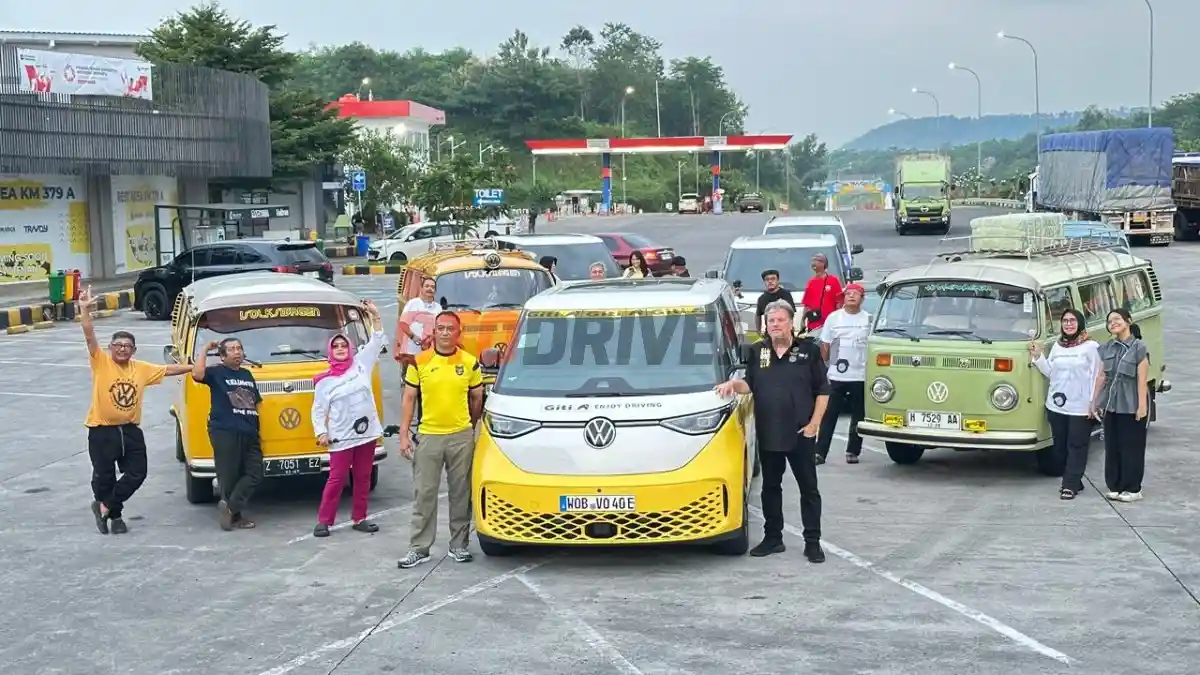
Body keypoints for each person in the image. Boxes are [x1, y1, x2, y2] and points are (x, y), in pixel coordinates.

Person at [715, 300, 828, 563]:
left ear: (791, 322)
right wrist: (733, 385)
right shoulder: (758, 351)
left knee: (809, 489)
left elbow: (823, 391)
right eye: (771, 321)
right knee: (770, 487)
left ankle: (813, 542)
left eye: (780, 320)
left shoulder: (808, 351)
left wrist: (814, 424)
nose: (775, 325)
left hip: (801, 433)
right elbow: (750, 384)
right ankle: (773, 538)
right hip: (769, 432)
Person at [80, 286, 191, 534]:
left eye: (127, 346)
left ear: (134, 350)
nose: (122, 349)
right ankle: (115, 516)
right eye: (118, 345)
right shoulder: (101, 362)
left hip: (130, 430)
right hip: (102, 431)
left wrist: (195, 367)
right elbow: (89, 335)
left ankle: (104, 505)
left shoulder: (140, 368)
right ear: (110, 348)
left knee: (137, 473)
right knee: (104, 476)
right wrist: (84, 310)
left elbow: (169, 370)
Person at [397, 311, 485, 568]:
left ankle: (458, 546)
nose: (445, 333)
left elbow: (477, 397)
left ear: (459, 333)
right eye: (441, 328)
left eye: (450, 328)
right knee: (424, 493)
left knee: (461, 493)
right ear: (434, 332)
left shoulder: (469, 363)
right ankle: (419, 548)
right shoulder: (419, 361)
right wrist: (404, 434)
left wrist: (471, 426)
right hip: (429, 436)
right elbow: (409, 399)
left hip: (461, 436)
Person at [311, 300, 388, 537]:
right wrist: (321, 432)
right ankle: (324, 520)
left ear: (350, 348)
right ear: (330, 352)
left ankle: (360, 517)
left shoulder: (361, 364)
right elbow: (318, 410)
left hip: (366, 434)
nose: (341, 349)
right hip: (341, 437)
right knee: (336, 479)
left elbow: (377, 340)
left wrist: (375, 316)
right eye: (336, 347)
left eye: (344, 345)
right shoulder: (324, 382)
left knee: (363, 477)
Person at [193, 336, 263, 530]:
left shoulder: (247, 374)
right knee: (229, 475)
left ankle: (230, 508)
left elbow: (255, 402)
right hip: (225, 430)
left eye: (239, 348)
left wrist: (257, 429)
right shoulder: (216, 372)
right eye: (231, 349)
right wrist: (205, 349)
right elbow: (197, 374)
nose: (237, 352)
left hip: (249, 431)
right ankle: (235, 516)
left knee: (256, 472)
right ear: (222, 356)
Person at [1030, 308, 1101, 500]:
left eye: (1072, 320)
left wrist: (1094, 403)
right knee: (1060, 448)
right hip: (1057, 406)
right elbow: (1050, 372)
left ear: (1080, 323)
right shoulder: (1057, 346)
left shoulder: (1091, 347)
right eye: (1065, 321)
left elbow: (1098, 376)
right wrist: (1038, 356)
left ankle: (1069, 485)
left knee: (1077, 446)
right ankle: (1075, 479)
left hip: (1080, 407)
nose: (1068, 324)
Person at [1092, 307, 1150, 503]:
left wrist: (1142, 406)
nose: (1113, 323)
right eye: (1109, 321)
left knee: (1131, 447)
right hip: (1111, 404)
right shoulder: (1107, 348)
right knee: (1112, 446)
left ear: (1128, 321)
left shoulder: (1139, 347)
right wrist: (1095, 401)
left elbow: (1142, 380)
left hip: (1130, 404)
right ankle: (1115, 486)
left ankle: (1133, 488)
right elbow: (1102, 376)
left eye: (1117, 319)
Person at [816, 282, 870, 465]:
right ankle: (820, 452)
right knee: (829, 414)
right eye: (848, 294)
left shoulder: (868, 320)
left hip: (860, 374)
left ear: (862, 298)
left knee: (858, 415)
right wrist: (827, 365)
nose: (851, 296)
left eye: (855, 294)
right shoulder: (834, 318)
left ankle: (853, 451)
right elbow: (825, 344)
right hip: (836, 375)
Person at [396, 277, 442, 430]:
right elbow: (403, 324)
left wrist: (431, 339)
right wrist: (415, 338)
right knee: (410, 389)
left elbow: (439, 328)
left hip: (429, 354)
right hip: (411, 354)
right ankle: (407, 421)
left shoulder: (438, 308)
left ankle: (423, 419)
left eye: (432, 287)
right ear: (421, 288)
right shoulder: (413, 304)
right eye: (427, 286)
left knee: (425, 387)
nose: (429, 289)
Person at [799, 253, 843, 332]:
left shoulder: (833, 280)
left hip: (830, 324)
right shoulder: (810, 282)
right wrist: (802, 320)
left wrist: (838, 319)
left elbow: (839, 302)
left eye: (817, 260)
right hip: (814, 324)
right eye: (813, 260)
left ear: (824, 264)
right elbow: (807, 305)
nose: (814, 262)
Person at [755, 269, 795, 334]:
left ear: (778, 281)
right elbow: (758, 315)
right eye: (767, 279)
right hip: (770, 333)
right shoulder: (762, 298)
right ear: (764, 282)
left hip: (786, 332)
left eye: (773, 279)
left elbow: (791, 314)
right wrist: (758, 331)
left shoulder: (786, 295)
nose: (770, 281)